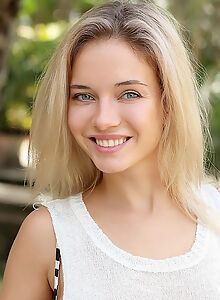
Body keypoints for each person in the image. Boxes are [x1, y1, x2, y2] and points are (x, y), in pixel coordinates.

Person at [1, 0, 220, 299]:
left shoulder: (215, 217)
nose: (104, 120)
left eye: (129, 94)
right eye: (83, 96)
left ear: (168, 103)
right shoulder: (48, 237)